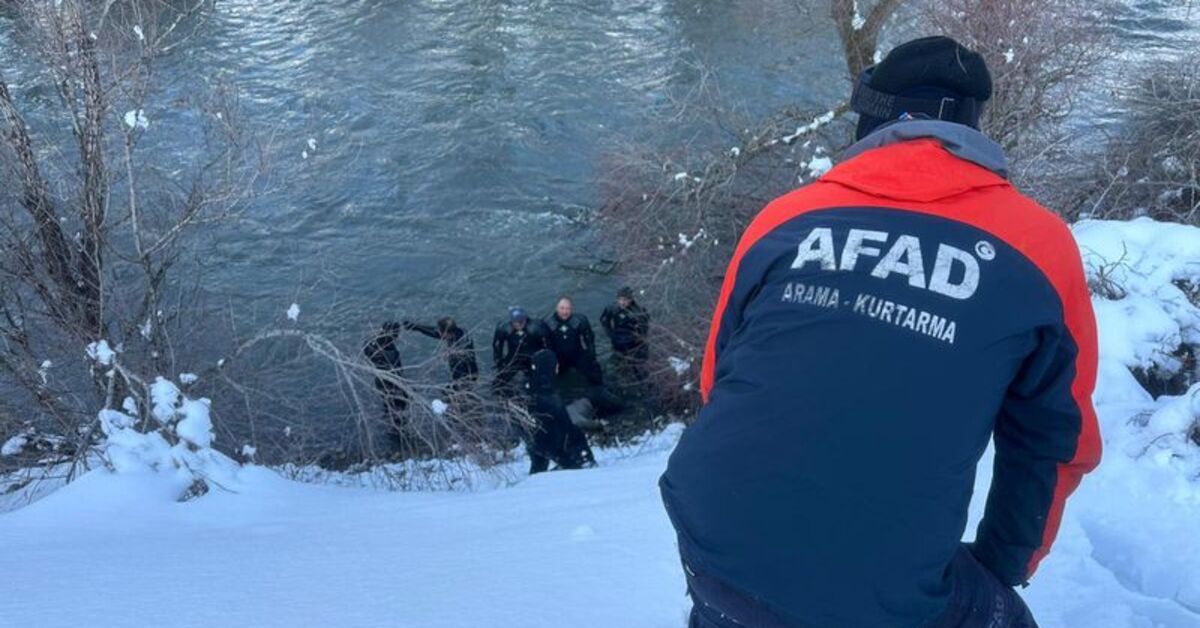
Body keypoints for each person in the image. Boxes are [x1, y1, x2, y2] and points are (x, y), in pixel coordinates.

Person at [659, 36, 1101, 628]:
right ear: (972, 127)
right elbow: (1052, 441)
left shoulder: (785, 217)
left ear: (872, 118)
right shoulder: (1038, 245)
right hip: (883, 583)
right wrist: (1001, 564)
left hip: (712, 530)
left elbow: (718, 380)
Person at [522, 348, 595, 474]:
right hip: (551, 445)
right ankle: (582, 461)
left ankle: (538, 472)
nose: (557, 367)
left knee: (538, 470)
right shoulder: (545, 392)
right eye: (555, 364)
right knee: (573, 435)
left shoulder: (532, 386)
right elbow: (565, 424)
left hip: (537, 443)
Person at [402, 317, 479, 385]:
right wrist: (416, 327)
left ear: (446, 333)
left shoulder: (461, 343)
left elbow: (462, 353)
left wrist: (449, 353)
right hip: (462, 373)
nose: (438, 333)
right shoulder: (456, 331)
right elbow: (434, 331)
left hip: (466, 376)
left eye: (440, 332)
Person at [492, 307, 548, 397]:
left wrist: (544, 362)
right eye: (515, 321)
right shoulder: (504, 328)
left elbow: (547, 345)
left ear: (525, 319)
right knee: (497, 383)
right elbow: (497, 346)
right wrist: (499, 362)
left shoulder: (536, 327)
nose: (518, 324)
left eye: (521, 321)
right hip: (514, 357)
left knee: (541, 382)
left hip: (532, 357)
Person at [544, 296, 602, 384]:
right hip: (559, 357)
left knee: (595, 376)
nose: (565, 312)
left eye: (568, 309)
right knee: (554, 381)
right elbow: (546, 345)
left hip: (577, 354)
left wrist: (592, 356)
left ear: (572, 309)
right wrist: (551, 361)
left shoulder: (580, 320)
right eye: (562, 308)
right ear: (556, 308)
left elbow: (589, 339)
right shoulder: (548, 323)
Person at [600, 286, 650, 381]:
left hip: (633, 342)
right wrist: (610, 333)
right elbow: (604, 320)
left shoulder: (638, 311)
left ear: (631, 299)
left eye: (625, 300)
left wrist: (639, 339)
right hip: (617, 339)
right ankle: (619, 372)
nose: (622, 302)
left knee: (637, 366)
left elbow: (644, 328)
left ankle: (640, 379)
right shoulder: (612, 308)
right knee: (618, 361)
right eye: (620, 299)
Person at [362, 321, 408, 419]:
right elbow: (396, 368)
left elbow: (366, 349)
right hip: (389, 380)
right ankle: (396, 420)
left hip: (381, 378)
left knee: (389, 403)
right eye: (397, 333)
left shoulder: (373, 344)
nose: (397, 336)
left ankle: (391, 417)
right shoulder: (390, 350)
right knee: (398, 404)